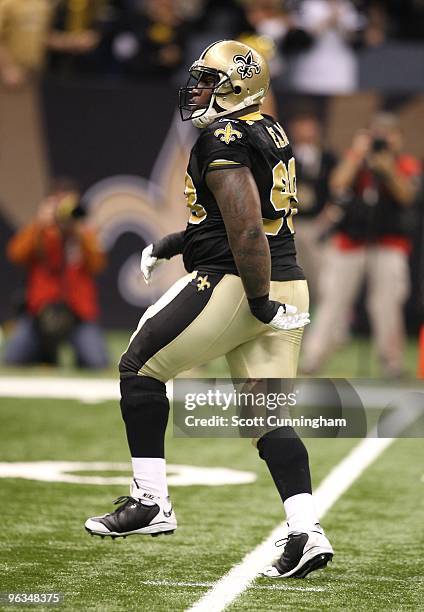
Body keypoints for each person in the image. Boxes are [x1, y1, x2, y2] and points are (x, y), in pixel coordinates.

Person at [85, 40, 333, 579]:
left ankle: (151, 502)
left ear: (238, 84)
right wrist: (174, 242)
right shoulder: (269, 129)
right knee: (267, 420)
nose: (197, 87)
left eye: (208, 78)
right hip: (289, 283)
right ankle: (305, 529)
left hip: (241, 286)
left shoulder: (223, 137)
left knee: (138, 368)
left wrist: (259, 303)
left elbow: (245, 227)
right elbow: (230, 220)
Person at [301, 112, 421, 377]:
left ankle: (391, 363)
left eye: (389, 134)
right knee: (333, 301)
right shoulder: (354, 161)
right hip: (349, 242)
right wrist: (357, 155)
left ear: (399, 139)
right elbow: (337, 184)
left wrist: (386, 166)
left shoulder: (405, 164)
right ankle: (313, 358)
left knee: (387, 304)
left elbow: (406, 195)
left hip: (389, 243)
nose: (383, 140)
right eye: (377, 134)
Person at [4, 179, 109, 369]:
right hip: (39, 314)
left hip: (78, 315)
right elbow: (15, 254)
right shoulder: (41, 233)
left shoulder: (84, 234)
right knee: (12, 359)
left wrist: (79, 233)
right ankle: (45, 352)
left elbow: (98, 264)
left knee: (98, 363)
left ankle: (62, 354)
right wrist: (40, 224)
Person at [288, 111, 337, 303]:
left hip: (319, 224)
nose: (306, 130)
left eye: (309, 124)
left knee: (323, 283)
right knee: (294, 282)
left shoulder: (328, 158)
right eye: (301, 124)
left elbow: (338, 190)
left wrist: (327, 218)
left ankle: (325, 331)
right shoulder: (284, 155)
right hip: (292, 224)